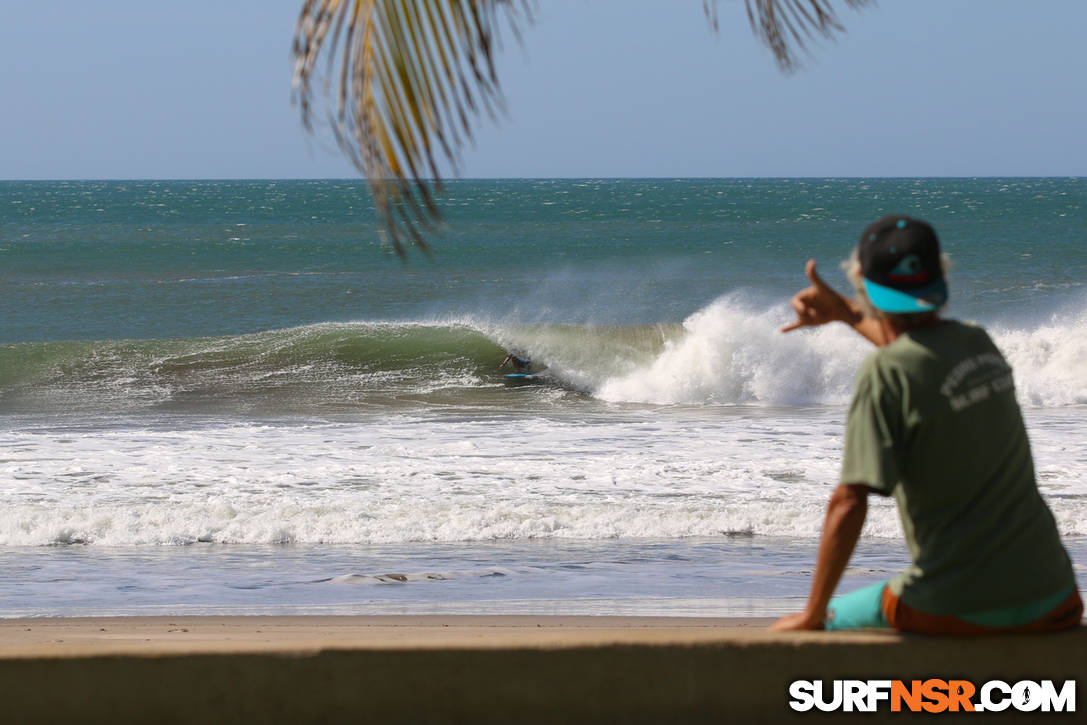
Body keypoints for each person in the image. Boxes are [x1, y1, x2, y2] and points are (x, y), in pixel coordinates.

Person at [771, 215, 1081, 634]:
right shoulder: (977, 343)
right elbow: (918, 356)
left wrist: (811, 614)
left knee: (821, 626)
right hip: (1055, 596)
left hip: (952, 602)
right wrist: (845, 311)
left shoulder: (885, 371)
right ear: (942, 275)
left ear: (862, 282)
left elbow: (849, 500)